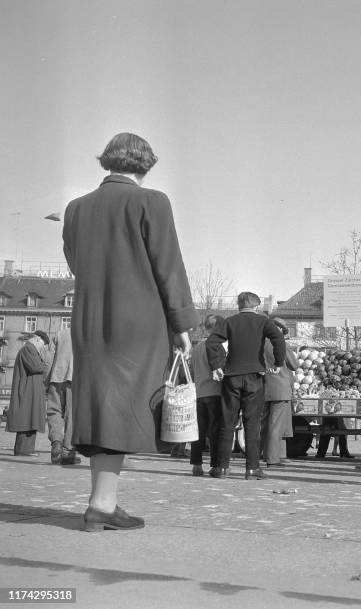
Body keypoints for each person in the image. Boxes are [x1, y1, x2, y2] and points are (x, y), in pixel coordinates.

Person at [63, 132, 197, 531]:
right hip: (138, 322)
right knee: (123, 409)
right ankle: (102, 504)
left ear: (107, 161)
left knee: (103, 408)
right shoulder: (151, 201)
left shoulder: (75, 208)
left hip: (89, 320)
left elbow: (75, 262)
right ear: (146, 163)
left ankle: (102, 503)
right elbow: (168, 265)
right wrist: (182, 325)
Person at [206, 292, 286, 480]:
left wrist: (217, 365)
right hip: (255, 377)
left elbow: (212, 341)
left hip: (231, 376)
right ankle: (252, 469)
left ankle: (222, 468)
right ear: (257, 305)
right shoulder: (263, 322)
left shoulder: (229, 321)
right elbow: (278, 339)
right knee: (252, 424)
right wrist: (278, 363)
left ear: (239, 304)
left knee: (227, 423)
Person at [261, 317, 298, 467]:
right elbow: (294, 365)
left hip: (263, 387)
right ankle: (273, 459)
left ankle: (261, 455)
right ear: (280, 330)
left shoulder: (259, 343)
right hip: (280, 389)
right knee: (276, 426)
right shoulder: (281, 342)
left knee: (263, 425)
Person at [7, 330, 50, 457]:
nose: (42, 347)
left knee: (31, 419)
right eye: (42, 344)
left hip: (32, 391)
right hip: (27, 391)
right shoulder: (28, 349)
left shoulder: (31, 350)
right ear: (37, 339)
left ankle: (28, 449)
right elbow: (36, 367)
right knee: (25, 420)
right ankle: (22, 450)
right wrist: (46, 364)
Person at [190, 315, 223, 477]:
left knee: (199, 431)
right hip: (215, 392)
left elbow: (190, 371)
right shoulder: (217, 347)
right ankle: (215, 465)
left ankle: (196, 465)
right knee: (215, 431)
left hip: (199, 393)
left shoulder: (196, 349)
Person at [47, 327, 80, 465]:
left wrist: (46, 379)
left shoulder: (60, 333)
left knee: (54, 411)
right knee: (71, 415)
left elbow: (49, 357)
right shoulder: (86, 331)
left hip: (57, 376)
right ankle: (68, 451)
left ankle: (56, 442)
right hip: (76, 378)